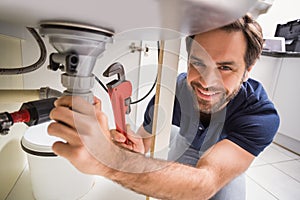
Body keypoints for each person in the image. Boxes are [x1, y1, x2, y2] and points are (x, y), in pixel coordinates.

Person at [48, 14, 280, 200]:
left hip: (221, 163)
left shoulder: (260, 115)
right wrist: (131, 147)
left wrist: (108, 160)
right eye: (198, 63)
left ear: (248, 70)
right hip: (184, 144)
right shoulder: (175, 90)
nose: (207, 82)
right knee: (170, 140)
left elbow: (205, 183)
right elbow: (145, 140)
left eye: (225, 68)